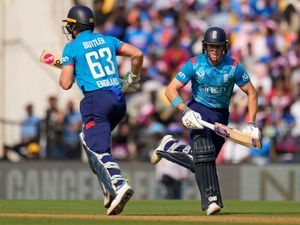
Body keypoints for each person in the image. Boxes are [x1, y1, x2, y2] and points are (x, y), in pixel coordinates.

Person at [150, 27, 261, 215]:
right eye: (211, 47)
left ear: (224, 47)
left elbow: (251, 92)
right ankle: (212, 201)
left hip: (220, 115)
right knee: (204, 154)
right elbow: (170, 90)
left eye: (218, 47)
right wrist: (185, 110)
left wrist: (251, 124)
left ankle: (170, 147)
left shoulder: (233, 67)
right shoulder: (194, 64)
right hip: (198, 110)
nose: (214, 51)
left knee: (202, 162)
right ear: (205, 47)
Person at [59, 5, 143, 215]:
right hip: (118, 100)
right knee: (87, 139)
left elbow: (66, 83)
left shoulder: (72, 47)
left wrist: (68, 66)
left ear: (76, 26)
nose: (69, 29)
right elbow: (137, 54)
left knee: (97, 148)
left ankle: (118, 185)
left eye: (70, 25)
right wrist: (133, 78)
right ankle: (107, 187)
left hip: (96, 101)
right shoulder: (107, 39)